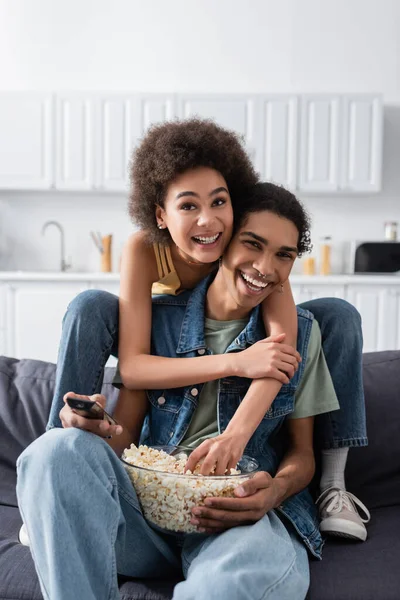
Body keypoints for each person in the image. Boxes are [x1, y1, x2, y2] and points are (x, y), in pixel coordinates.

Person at [18, 182, 346, 600]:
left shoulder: (300, 335)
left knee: (239, 579)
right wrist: (94, 429)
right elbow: (126, 436)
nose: (265, 266)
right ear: (225, 242)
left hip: (232, 522)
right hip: (146, 518)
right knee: (57, 449)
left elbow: (303, 454)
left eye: (284, 255)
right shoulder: (156, 322)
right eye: (253, 244)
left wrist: (275, 491)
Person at [43, 119, 368, 539]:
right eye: (188, 206)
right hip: (170, 327)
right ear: (160, 215)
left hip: (243, 317)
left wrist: (237, 435)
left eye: (218, 202)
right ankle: (55, 453)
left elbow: (278, 353)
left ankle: (334, 484)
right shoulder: (146, 249)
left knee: (336, 315)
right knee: (89, 306)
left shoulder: (248, 247)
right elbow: (137, 368)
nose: (208, 221)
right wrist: (236, 362)